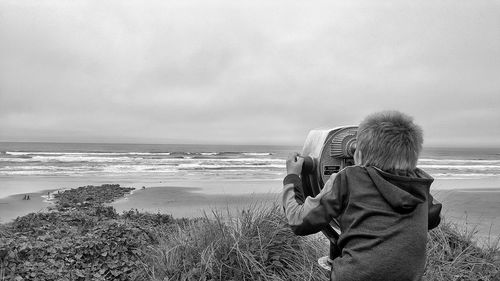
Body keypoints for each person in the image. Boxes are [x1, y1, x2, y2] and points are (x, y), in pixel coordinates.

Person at [282, 110, 442, 281]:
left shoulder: (349, 178)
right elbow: (433, 218)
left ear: (359, 154)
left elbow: (298, 222)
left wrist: (292, 177)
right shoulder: (419, 184)